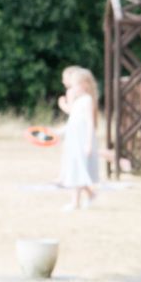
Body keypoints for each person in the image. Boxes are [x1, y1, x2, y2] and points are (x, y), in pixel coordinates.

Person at [58, 66, 100, 210]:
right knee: (74, 168)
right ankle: (89, 195)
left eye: (75, 85)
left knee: (77, 169)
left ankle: (76, 202)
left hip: (81, 140)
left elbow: (89, 122)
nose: (72, 88)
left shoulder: (87, 100)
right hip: (73, 139)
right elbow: (72, 122)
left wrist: (88, 143)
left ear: (84, 85)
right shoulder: (78, 101)